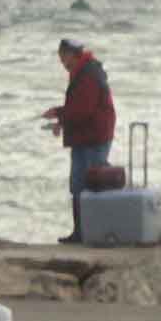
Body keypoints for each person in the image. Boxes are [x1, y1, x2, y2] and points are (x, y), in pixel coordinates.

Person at [43, 37, 115, 244]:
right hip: (84, 136)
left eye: (63, 59)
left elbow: (84, 110)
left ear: (71, 55)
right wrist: (61, 120)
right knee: (77, 185)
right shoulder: (80, 72)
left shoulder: (89, 74)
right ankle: (80, 233)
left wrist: (59, 113)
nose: (62, 64)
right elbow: (78, 109)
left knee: (94, 185)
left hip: (96, 136)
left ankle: (97, 232)